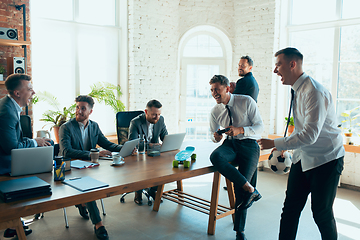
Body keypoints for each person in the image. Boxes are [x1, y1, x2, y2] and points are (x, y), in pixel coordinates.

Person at [257, 47, 345, 240]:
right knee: (290, 209)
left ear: (292, 64)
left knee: (321, 213)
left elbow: (310, 135)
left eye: (278, 64)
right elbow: (302, 128)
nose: (275, 70)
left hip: (326, 159)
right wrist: (285, 145)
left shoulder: (314, 91)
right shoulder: (297, 89)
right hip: (303, 158)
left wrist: (276, 142)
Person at [59, 95, 123, 240]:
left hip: (89, 167)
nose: (79, 111)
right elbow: (66, 151)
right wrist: (94, 153)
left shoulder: (94, 126)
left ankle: (81, 203)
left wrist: (124, 148)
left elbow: (107, 144)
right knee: (89, 187)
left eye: (83, 108)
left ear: (90, 111)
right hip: (70, 168)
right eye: (77, 107)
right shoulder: (66, 128)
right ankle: (99, 224)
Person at [209, 75, 264, 240]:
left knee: (238, 191)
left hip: (249, 145)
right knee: (215, 156)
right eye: (212, 90)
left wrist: (241, 130)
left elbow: (260, 127)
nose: (214, 93)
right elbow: (212, 133)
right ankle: (250, 188)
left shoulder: (246, 101)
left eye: (217, 89)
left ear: (227, 88)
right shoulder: (215, 111)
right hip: (230, 144)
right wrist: (216, 137)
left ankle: (240, 232)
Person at [0, 73, 52, 238]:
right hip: (4, 166)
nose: (33, 92)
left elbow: (15, 140)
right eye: (29, 89)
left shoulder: (9, 105)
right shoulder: (7, 112)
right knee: (40, 177)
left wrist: (34, 141)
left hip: (7, 160)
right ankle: (14, 222)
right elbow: (12, 147)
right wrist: (35, 142)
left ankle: (15, 224)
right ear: (17, 93)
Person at [225, 55, 260, 191]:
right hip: (249, 121)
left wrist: (231, 91)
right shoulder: (253, 81)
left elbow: (232, 100)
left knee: (243, 159)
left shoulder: (244, 81)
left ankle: (240, 182)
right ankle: (251, 186)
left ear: (250, 67)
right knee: (252, 163)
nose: (240, 67)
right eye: (239, 65)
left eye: (243, 66)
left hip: (243, 123)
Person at [128, 99, 168, 205]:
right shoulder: (135, 122)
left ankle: (153, 190)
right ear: (146, 112)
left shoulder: (160, 120)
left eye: (159, 114)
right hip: (139, 153)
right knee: (140, 166)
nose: (157, 117)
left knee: (163, 165)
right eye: (154, 115)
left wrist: (169, 142)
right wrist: (149, 145)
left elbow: (165, 137)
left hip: (154, 153)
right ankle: (138, 192)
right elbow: (133, 143)